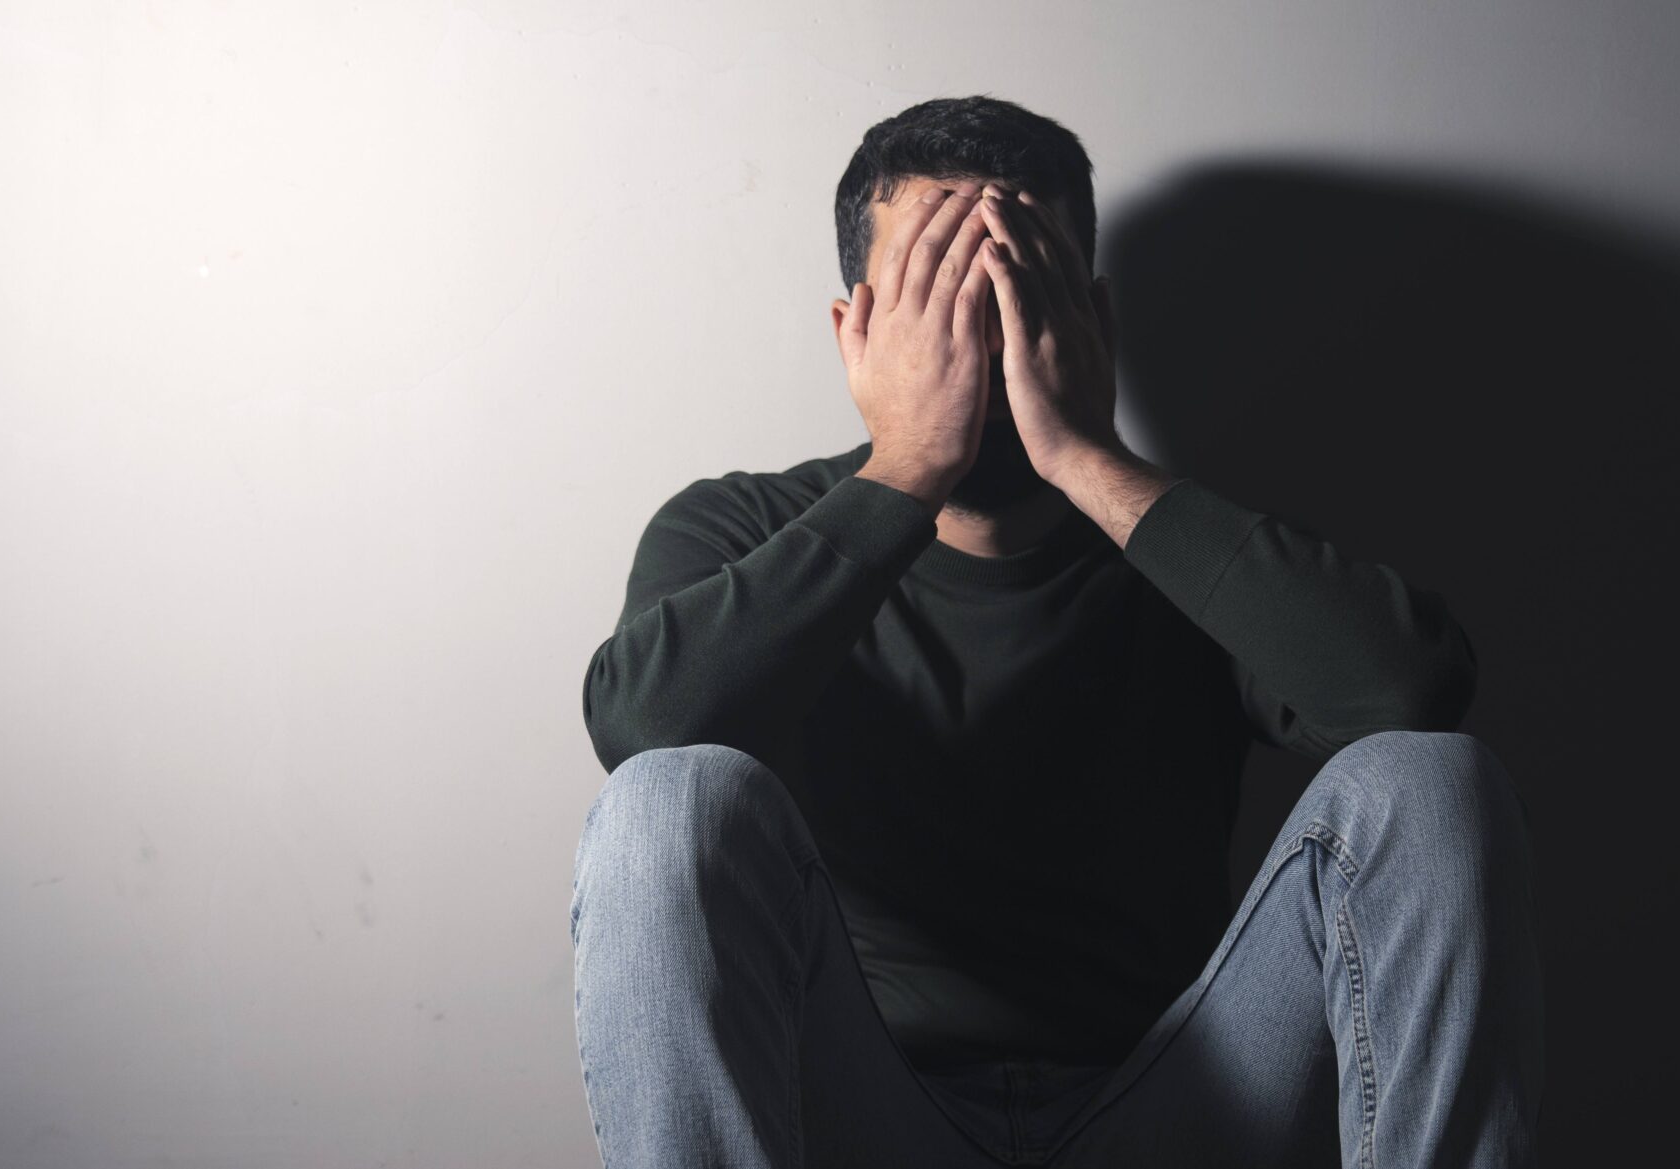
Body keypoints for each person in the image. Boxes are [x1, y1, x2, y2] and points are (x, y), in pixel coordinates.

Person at [570, 94, 1543, 1168]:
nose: (978, 329)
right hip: (872, 1110)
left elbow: (1410, 696)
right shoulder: (744, 525)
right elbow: (648, 726)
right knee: (666, 799)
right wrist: (906, 463)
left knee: (1433, 778)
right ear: (856, 328)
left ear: (1093, 319)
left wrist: (1082, 454)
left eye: (1013, 283)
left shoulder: (1187, 544)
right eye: (937, 289)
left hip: (1179, 1105)